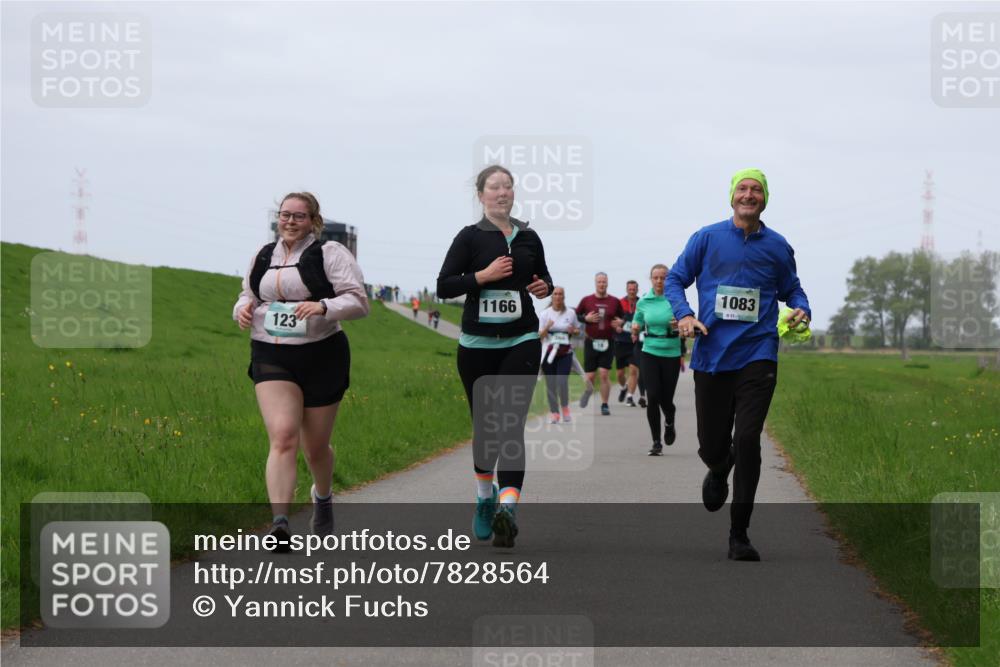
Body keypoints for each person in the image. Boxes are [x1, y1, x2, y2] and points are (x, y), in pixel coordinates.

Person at [665, 168, 810, 561]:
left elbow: (792, 288)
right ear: (732, 196)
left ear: (765, 199)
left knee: (747, 440)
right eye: (743, 189)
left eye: (756, 190)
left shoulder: (778, 246)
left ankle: (739, 533)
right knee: (712, 444)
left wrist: (801, 307)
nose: (749, 195)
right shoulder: (707, 238)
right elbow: (675, 280)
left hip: (758, 354)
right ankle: (718, 466)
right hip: (712, 354)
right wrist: (683, 314)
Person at [234, 191, 369, 551]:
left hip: (322, 355)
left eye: (299, 216)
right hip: (271, 352)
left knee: (316, 448)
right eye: (285, 215)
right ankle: (279, 523)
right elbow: (248, 294)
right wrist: (242, 309)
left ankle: (322, 497)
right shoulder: (264, 255)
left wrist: (323, 306)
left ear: (313, 221)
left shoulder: (329, 254)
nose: (290, 221)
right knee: (282, 436)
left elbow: (358, 302)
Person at [436, 165, 553, 548]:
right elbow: (444, 286)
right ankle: (485, 499)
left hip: (521, 339)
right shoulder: (469, 238)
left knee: (510, 425)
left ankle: (508, 508)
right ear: (481, 195)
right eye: (494, 187)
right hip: (476, 346)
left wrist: (541, 287)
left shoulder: (529, 237)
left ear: (513, 193)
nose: (502, 192)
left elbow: (545, 280)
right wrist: (482, 277)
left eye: (507, 186)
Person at [631, 264, 683, 456]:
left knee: (666, 399)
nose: (659, 281)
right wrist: (635, 328)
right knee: (652, 396)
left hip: (671, 352)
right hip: (650, 351)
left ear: (668, 279)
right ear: (651, 279)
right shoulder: (644, 301)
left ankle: (669, 420)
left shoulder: (676, 300)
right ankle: (656, 442)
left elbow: (687, 322)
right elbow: (636, 321)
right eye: (656, 277)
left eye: (663, 277)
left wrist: (679, 324)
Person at [575, 273, 624, 416]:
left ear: (607, 283)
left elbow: (623, 318)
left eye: (604, 282)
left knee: (603, 374)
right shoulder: (586, 300)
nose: (601, 284)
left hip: (608, 342)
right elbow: (576, 316)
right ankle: (588, 391)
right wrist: (585, 318)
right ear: (595, 283)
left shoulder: (614, 301)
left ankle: (604, 404)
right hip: (591, 342)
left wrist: (621, 323)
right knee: (590, 377)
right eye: (599, 282)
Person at [539, 287, 580, 424]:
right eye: (555, 294)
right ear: (552, 297)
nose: (557, 296)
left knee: (562, 381)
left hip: (565, 353)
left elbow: (577, 330)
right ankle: (554, 413)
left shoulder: (571, 313)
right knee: (551, 384)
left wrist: (573, 331)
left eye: (560, 294)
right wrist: (547, 328)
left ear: (563, 297)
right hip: (548, 354)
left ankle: (565, 407)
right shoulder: (545, 314)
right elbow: (539, 336)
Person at [614, 280, 643, 407]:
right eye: (630, 289)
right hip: (621, 341)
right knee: (620, 373)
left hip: (635, 342)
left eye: (634, 289)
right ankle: (623, 387)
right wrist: (617, 326)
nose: (632, 291)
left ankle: (630, 397)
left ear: (637, 290)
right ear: (627, 290)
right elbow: (612, 320)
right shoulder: (619, 303)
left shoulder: (642, 302)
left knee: (633, 370)